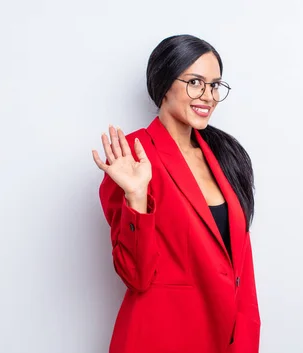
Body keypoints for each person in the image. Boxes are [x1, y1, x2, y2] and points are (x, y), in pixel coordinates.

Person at [92, 34, 261, 353]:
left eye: (214, 85)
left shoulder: (226, 158)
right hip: (160, 338)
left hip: (225, 340)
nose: (208, 96)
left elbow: (241, 274)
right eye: (195, 82)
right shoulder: (133, 156)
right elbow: (136, 277)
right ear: (165, 82)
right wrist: (137, 196)